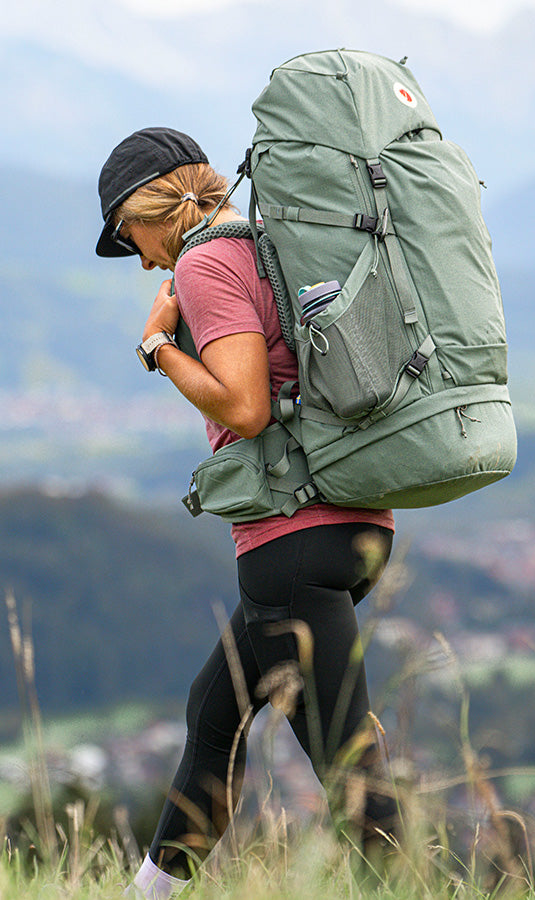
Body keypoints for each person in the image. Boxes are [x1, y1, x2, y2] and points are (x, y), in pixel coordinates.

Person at [96, 127, 399, 899]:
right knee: (214, 715)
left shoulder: (205, 262)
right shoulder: (268, 241)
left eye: (128, 234)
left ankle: (413, 885)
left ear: (153, 207)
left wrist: (157, 347)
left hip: (290, 539)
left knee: (346, 765)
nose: (141, 260)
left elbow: (245, 406)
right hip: (351, 520)